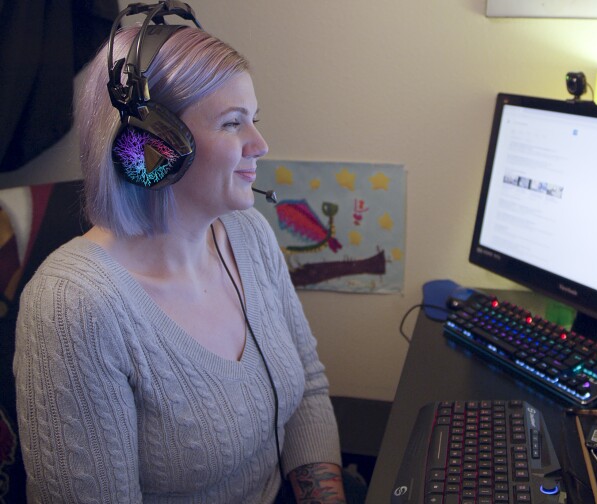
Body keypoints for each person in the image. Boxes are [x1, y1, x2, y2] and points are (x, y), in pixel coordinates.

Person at [13, 5, 350, 503]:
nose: (260, 144)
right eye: (233, 124)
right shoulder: (73, 306)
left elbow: (308, 392)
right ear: (154, 146)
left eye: (253, 120)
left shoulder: (249, 236)